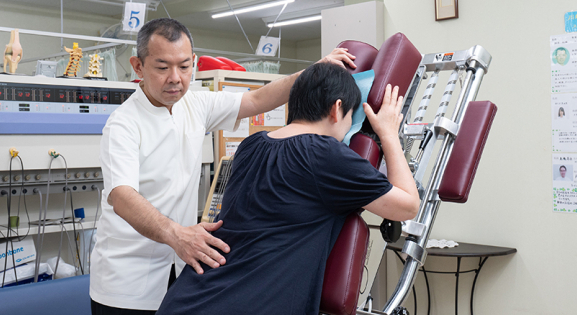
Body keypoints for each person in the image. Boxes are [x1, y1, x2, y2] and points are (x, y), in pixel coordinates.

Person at [89, 18, 355, 314]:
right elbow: (122, 196)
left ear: (194, 63)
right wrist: (177, 234)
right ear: (138, 66)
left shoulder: (196, 105)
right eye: (162, 68)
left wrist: (314, 73)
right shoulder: (123, 123)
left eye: (184, 66)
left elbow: (256, 99)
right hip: (125, 284)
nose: (175, 78)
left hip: (179, 269)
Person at [157, 62, 420, 315]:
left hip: (187, 297)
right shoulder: (326, 153)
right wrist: (387, 133)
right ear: (337, 108)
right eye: (350, 119)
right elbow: (408, 205)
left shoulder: (250, 146)